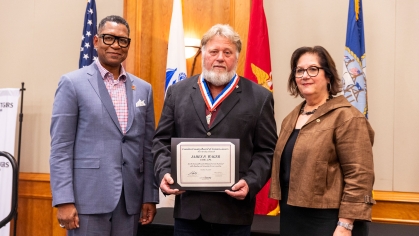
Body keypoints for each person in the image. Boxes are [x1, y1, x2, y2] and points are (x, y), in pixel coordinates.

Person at [153, 24, 277, 236]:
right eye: (214, 51)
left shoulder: (259, 97)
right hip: (189, 211)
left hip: (234, 212)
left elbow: (267, 151)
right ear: (203, 54)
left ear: (236, 58)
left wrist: (250, 182)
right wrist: (164, 172)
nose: (220, 58)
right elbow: (161, 141)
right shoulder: (178, 92)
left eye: (227, 52)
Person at [49, 15, 158, 236]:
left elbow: (147, 147)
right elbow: (61, 147)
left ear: (128, 45)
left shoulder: (144, 89)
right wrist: (63, 200)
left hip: (130, 202)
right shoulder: (72, 83)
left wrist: (150, 195)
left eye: (122, 40)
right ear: (96, 41)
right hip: (86, 201)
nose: (116, 45)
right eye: (109, 38)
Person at [269, 46, 375, 236]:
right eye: (299, 70)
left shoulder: (347, 117)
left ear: (328, 76)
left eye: (313, 69)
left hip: (330, 221)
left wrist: (345, 225)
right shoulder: (290, 119)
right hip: (292, 216)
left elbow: (359, 176)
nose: (305, 75)